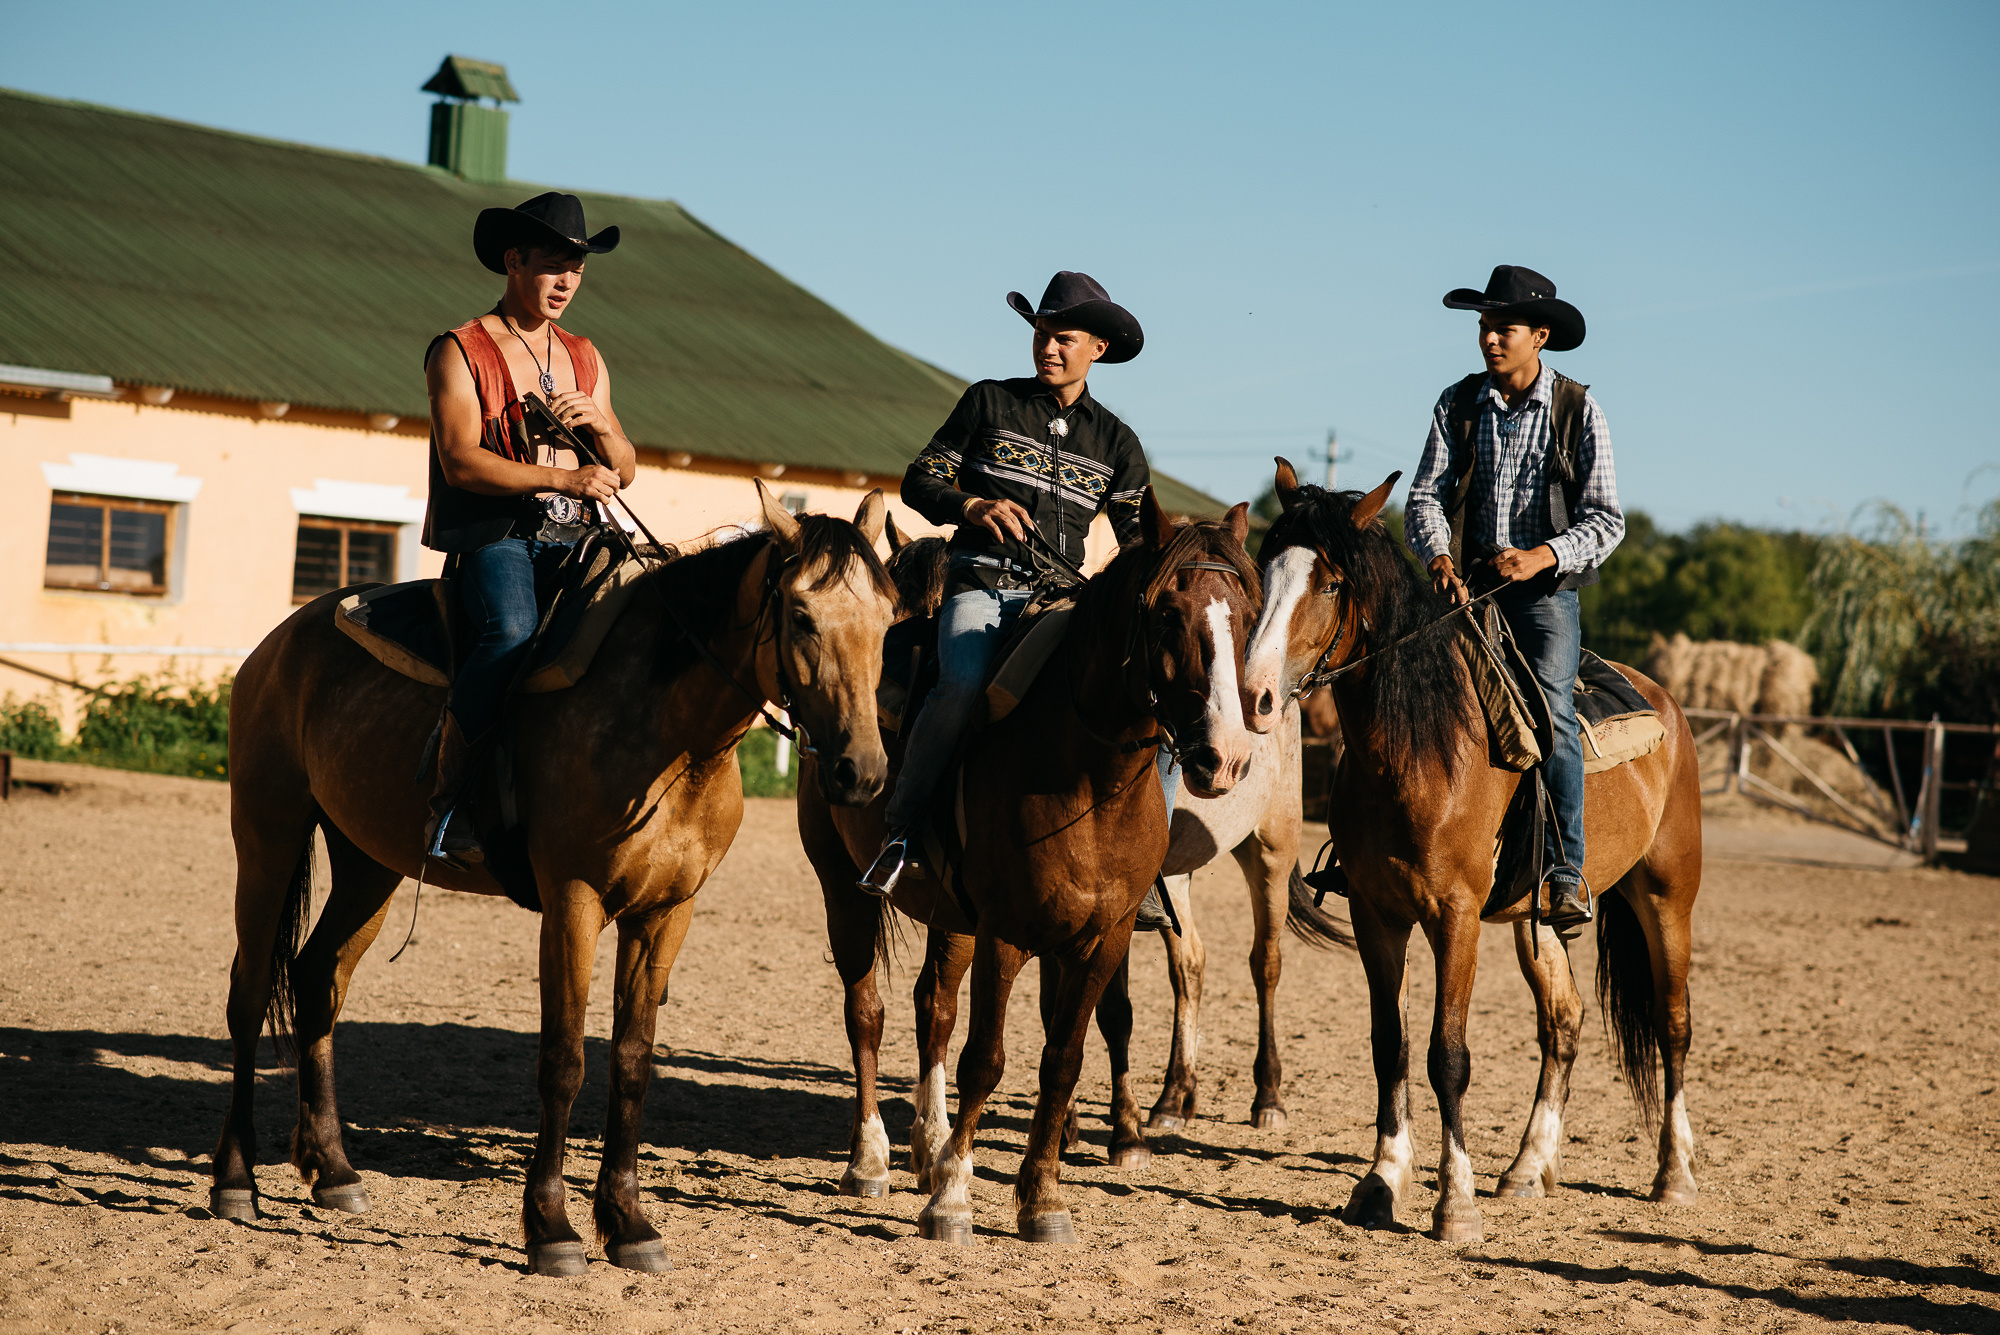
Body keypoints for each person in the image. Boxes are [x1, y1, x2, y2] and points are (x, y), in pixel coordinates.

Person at [858, 271, 1176, 927]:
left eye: (1062, 337)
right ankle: (902, 832)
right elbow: (921, 479)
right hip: (981, 581)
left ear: (1098, 350)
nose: (1047, 346)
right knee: (963, 681)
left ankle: (1147, 868)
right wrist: (970, 502)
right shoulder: (988, 403)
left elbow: (1140, 541)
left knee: (1158, 700)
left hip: (1067, 601)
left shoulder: (1117, 443)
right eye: (1041, 333)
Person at [1404, 265, 1624, 940]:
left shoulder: (1577, 409)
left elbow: (1606, 520)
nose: (1489, 339)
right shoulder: (1458, 403)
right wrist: (1438, 555)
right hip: (1464, 586)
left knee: (1551, 708)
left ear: (1540, 336)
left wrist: (1541, 556)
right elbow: (1425, 496)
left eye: (1503, 328)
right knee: (1398, 686)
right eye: (1483, 327)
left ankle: (1565, 869)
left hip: (1541, 596)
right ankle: (1366, 850)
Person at [418, 192, 637, 867]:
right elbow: (460, 461)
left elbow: (624, 469)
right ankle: (448, 802)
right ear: (514, 261)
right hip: (497, 535)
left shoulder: (586, 356)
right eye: (553, 265)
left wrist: (600, 430)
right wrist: (564, 479)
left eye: (577, 267)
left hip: (576, 538)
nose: (568, 281)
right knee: (510, 632)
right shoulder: (459, 349)